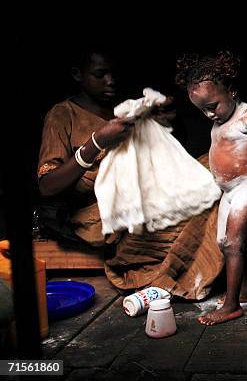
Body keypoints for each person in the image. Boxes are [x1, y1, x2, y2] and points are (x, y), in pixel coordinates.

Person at [37, 52, 224, 299]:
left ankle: (177, 264)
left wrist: (165, 123)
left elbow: (168, 159)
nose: (111, 81)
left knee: (219, 167)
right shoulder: (62, 115)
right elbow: (47, 186)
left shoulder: (126, 110)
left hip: (149, 196)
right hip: (107, 218)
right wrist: (97, 142)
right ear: (77, 75)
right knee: (207, 208)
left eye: (113, 73)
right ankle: (168, 277)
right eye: (100, 74)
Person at [176, 51, 247, 325]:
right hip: (227, 191)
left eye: (213, 105)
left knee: (233, 243)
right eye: (201, 109)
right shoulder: (217, 122)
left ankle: (232, 305)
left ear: (232, 91)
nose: (208, 114)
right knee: (223, 243)